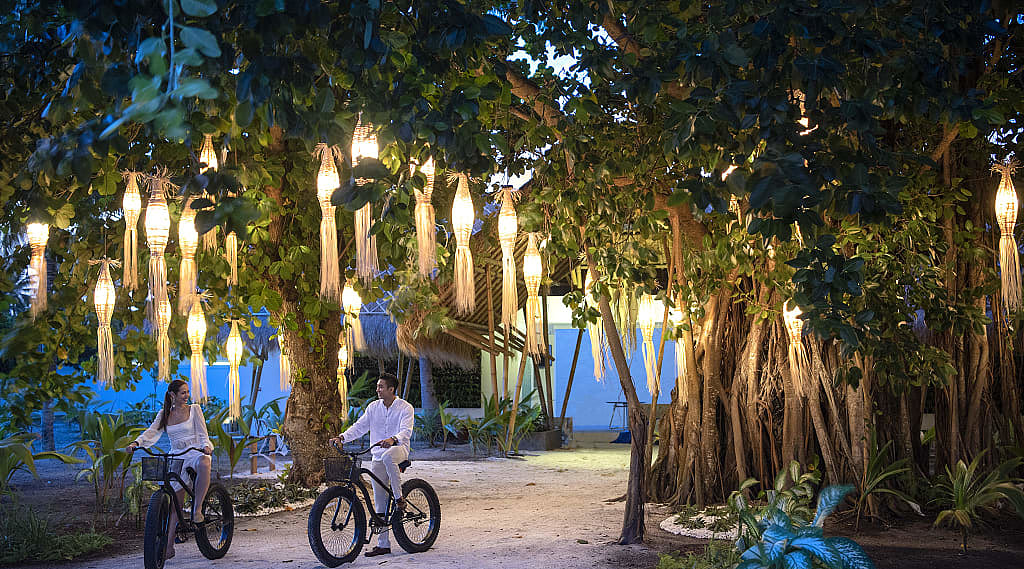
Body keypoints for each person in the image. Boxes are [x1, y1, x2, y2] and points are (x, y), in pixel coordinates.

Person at [126, 379, 213, 561]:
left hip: (194, 451)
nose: (186, 396)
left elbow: (203, 434)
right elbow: (151, 432)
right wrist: (136, 443)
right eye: (183, 393)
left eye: (187, 392)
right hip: (176, 455)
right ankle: (168, 547)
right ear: (172, 395)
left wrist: (206, 446)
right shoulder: (164, 413)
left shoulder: (194, 409)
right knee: (175, 504)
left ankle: (197, 511)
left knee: (205, 462)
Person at [328, 374, 414, 558]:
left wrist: (393, 439)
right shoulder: (373, 407)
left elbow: (406, 431)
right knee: (379, 500)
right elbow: (359, 427)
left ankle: (399, 498)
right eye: (377, 386)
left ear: (391, 389)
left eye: (381, 386)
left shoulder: (405, 408)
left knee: (389, 456)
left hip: (399, 450)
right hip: (377, 455)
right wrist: (342, 437)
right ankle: (383, 545)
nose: (377, 389)